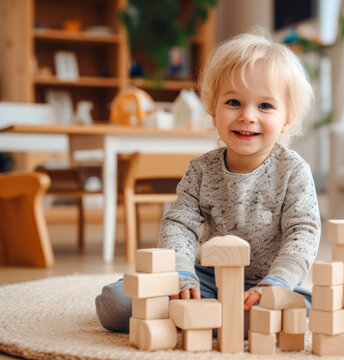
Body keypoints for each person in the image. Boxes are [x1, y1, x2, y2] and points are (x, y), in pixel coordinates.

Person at [95, 30, 321, 334]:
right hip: (206, 278)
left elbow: (303, 231)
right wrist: (182, 274)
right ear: (214, 112)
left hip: (266, 283)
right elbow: (179, 224)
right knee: (115, 301)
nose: (247, 116)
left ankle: (204, 319)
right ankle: (205, 315)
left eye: (265, 106)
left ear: (287, 119)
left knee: (300, 313)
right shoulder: (201, 170)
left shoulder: (294, 170)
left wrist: (277, 283)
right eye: (233, 102)